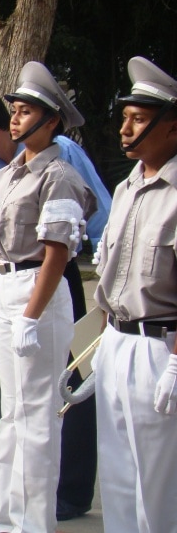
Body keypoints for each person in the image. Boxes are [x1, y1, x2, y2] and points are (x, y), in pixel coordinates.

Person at [0, 88, 110, 525]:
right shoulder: (6, 174)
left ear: (52, 121)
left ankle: (35, 521)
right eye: (14, 111)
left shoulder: (59, 171)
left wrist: (32, 315)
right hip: (6, 286)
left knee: (38, 418)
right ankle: (9, 518)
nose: (16, 120)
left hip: (41, 288)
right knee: (11, 414)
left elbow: (57, 251)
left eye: (26, 112)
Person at [93, 57, 177, 533]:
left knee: (157, 486)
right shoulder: (127, 187)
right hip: (119, 342)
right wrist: (103, 344)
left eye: (139, 120)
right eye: (124, 118)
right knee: (120, 479)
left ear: (173, 127)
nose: (126, 129)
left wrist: (175, 365)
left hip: (160, 349)